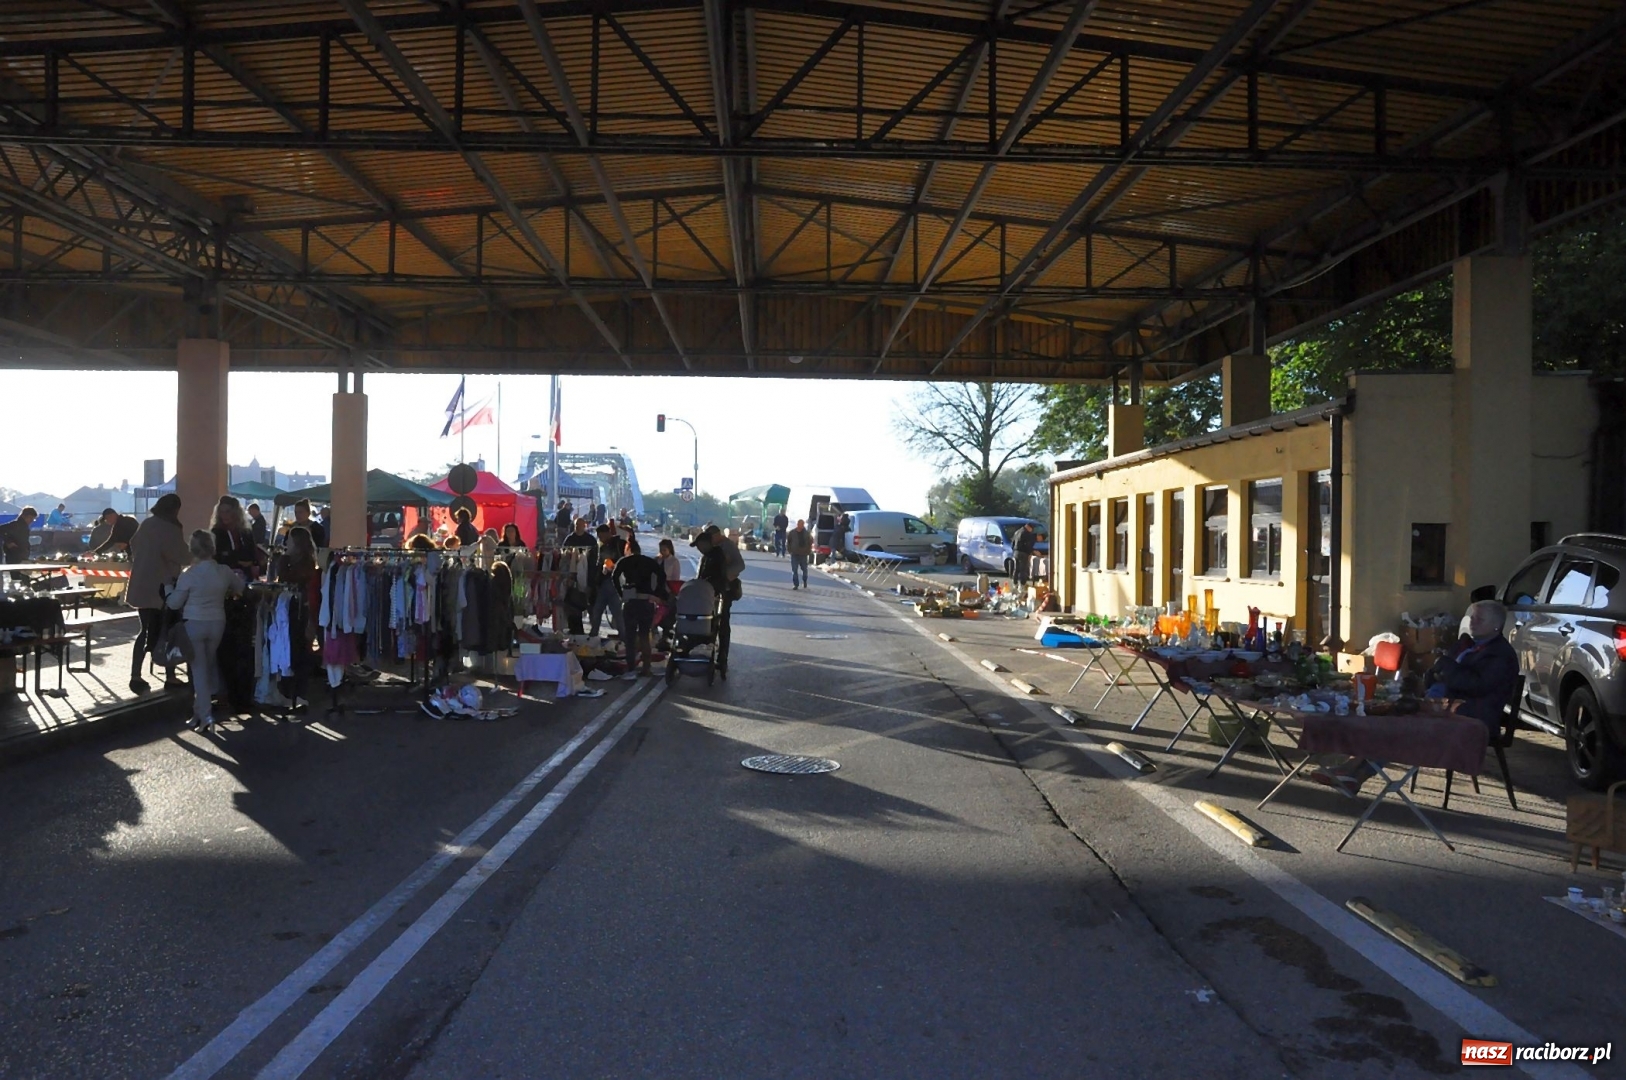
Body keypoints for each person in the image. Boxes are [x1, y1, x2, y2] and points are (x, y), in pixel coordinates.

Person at [166, 529, 244, 732]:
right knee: (207, 665)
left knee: (198, 670)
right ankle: (198, 713)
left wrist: (167, 590)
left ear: (193, 550)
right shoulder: (224, 571)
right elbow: (240, 587)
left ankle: (206, 716)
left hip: (194, 623)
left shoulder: (189, 575)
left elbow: (174, 604)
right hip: (217, 622)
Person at [125, 493, 189, 694]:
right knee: (167, 631)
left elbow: (134, 546)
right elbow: (181, 555)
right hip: (162, 588)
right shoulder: (170, 528)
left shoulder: (147, 524)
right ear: (175, 509)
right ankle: (170, 677)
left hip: (141, 584)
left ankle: (136, 675)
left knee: (145, 630)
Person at [1428, 599, 1521, 735]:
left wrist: (1445, 667)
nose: (1473, 622)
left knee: (1418, 727)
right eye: (1472, 617)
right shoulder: (1467, 644)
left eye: (1480, 619)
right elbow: (1441, 670)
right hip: (1448, 705)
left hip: (1474, 715)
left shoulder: (1500, 654)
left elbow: (1476, 685)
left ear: (1496, 626)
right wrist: (1433, 674)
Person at [278, 525, 321, 711]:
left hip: (301, 610)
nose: (286, 544)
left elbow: (288, 577)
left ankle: (298, 694)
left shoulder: (304, 564)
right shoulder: (300, 561)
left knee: (299, 651)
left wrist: (283, 559)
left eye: (289, 541)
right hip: (294, 607)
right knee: (294, 650)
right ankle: (292, 693)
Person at [692, 524, 743, 679]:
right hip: (707, 591)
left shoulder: (727, 546)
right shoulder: (710, 550)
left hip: (723, 591)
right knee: (706, 621)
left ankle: (722, 657)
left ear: (715, 535)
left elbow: (740, 565)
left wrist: (724, 578)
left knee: (722, 623)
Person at [613, 538, 668, 679]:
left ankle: (631, 668)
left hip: (630, 600)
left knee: (630, 637)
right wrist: (656, 593)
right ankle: (646, 668)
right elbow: (662, 575)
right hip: (646, 600)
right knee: (645, 635)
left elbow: (614, 576)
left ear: (628, 549)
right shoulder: (649, 562)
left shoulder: (624, 561)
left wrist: (621, 593)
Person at [560, 517, 598, 634]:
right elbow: (564, 555)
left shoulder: (590, 539)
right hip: (572, 575)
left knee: (590, 603)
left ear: (584, 526)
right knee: (572, 602)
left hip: (588, 575)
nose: (578, 527)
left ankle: (594, 629)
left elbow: (595, 558)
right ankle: (575, 628)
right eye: (576, 525)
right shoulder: (570, 538)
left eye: (580, 525)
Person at [211, 495, 263, 578]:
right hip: (224, 576)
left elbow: (253, 553)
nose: (224, 515)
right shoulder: (217, 532)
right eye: (221, 512)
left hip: (246, 575)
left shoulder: (245, 532)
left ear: (235, 513)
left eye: (228, 511)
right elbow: (218, 557)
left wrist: (254, 563)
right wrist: (239, 561)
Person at [591, 524, 626, 637]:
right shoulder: (602, 547)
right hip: (604, 582)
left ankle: (623, 635)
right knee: (597, 610)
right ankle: (593, 633)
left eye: (601, 536)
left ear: (608, 533)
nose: (600, 538)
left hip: (615, 583)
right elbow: (599, 564)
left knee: (617, 612)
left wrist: (613, 566)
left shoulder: (619, 544)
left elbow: (625, 560)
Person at [786, 517, 812, 589]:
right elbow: (788, 542)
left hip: (803, 554)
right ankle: (796, 584)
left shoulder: (806, 534)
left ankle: (805, 581)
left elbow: (810, 543)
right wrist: (789, 550)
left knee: (804, 570)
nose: (801, 525)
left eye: (802, 524)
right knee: (794, 570)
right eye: (799, 524)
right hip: (794, 554)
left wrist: (808, 551)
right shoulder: (792, 533)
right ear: (797, 524)